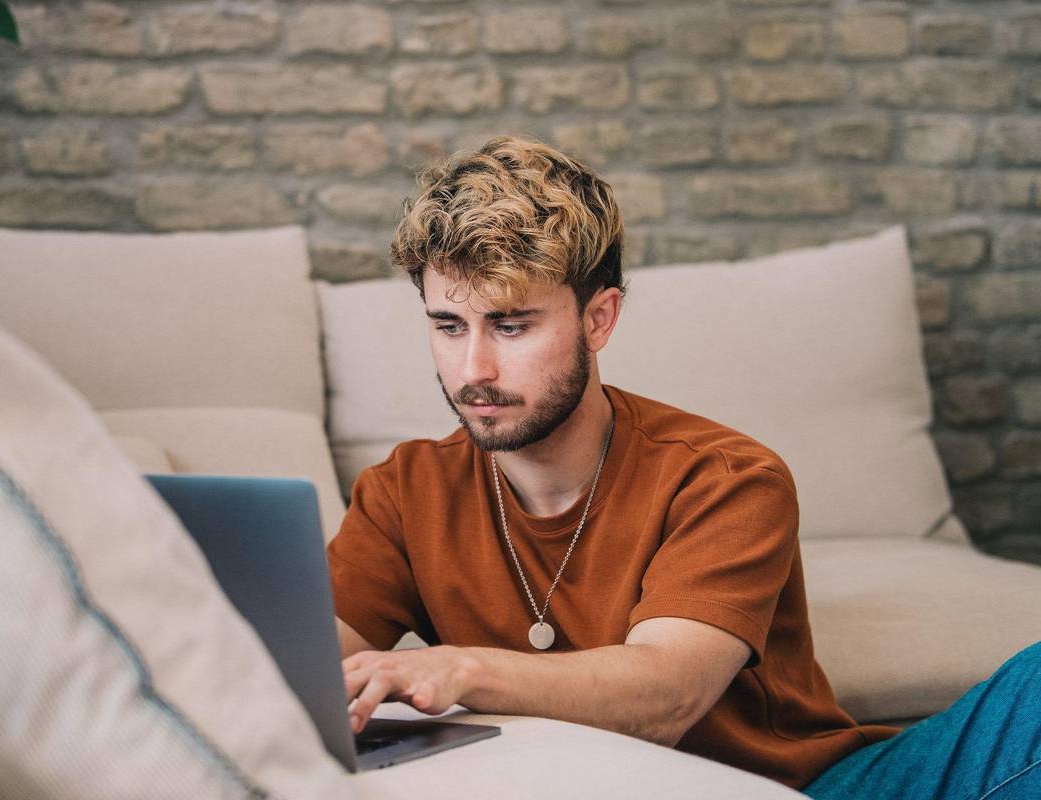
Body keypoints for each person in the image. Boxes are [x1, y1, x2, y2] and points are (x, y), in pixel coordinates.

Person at [326, 135, 1041, 797]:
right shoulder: (403, 491)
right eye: (448, 326)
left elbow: (664, 696)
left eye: (511, 326)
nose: (473, 368)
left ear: (599, 319)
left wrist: (458, 667)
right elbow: (295, 674)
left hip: (799, 792)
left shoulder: (725, 478)